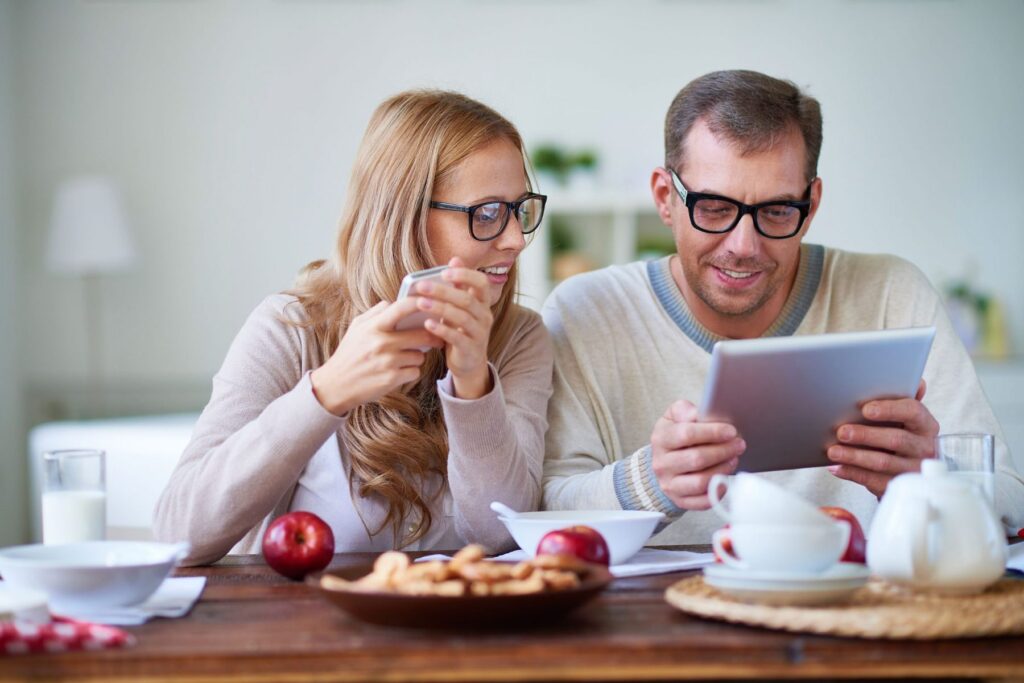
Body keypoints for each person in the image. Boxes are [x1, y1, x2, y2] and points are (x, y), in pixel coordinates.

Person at [541, 70, 1024, 542]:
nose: (742, 245)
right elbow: (542, 505)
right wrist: (650, 481)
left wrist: (934, 479)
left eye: (775, 211)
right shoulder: (587, 311)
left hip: (860, 613)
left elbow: (1010, 501)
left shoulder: (891, 293)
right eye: (713, 208)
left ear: (810, 207)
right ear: (666, 198)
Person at [155, 90, 553, 564]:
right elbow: (178, 535)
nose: (516, 240)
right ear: (402, 216)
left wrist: (473, 385)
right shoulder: (291, 328)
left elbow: (499, 537)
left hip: (459, 632)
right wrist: (326, 392)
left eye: (520, 208)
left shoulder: (519, 338)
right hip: (308, 630)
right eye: (486, 214)